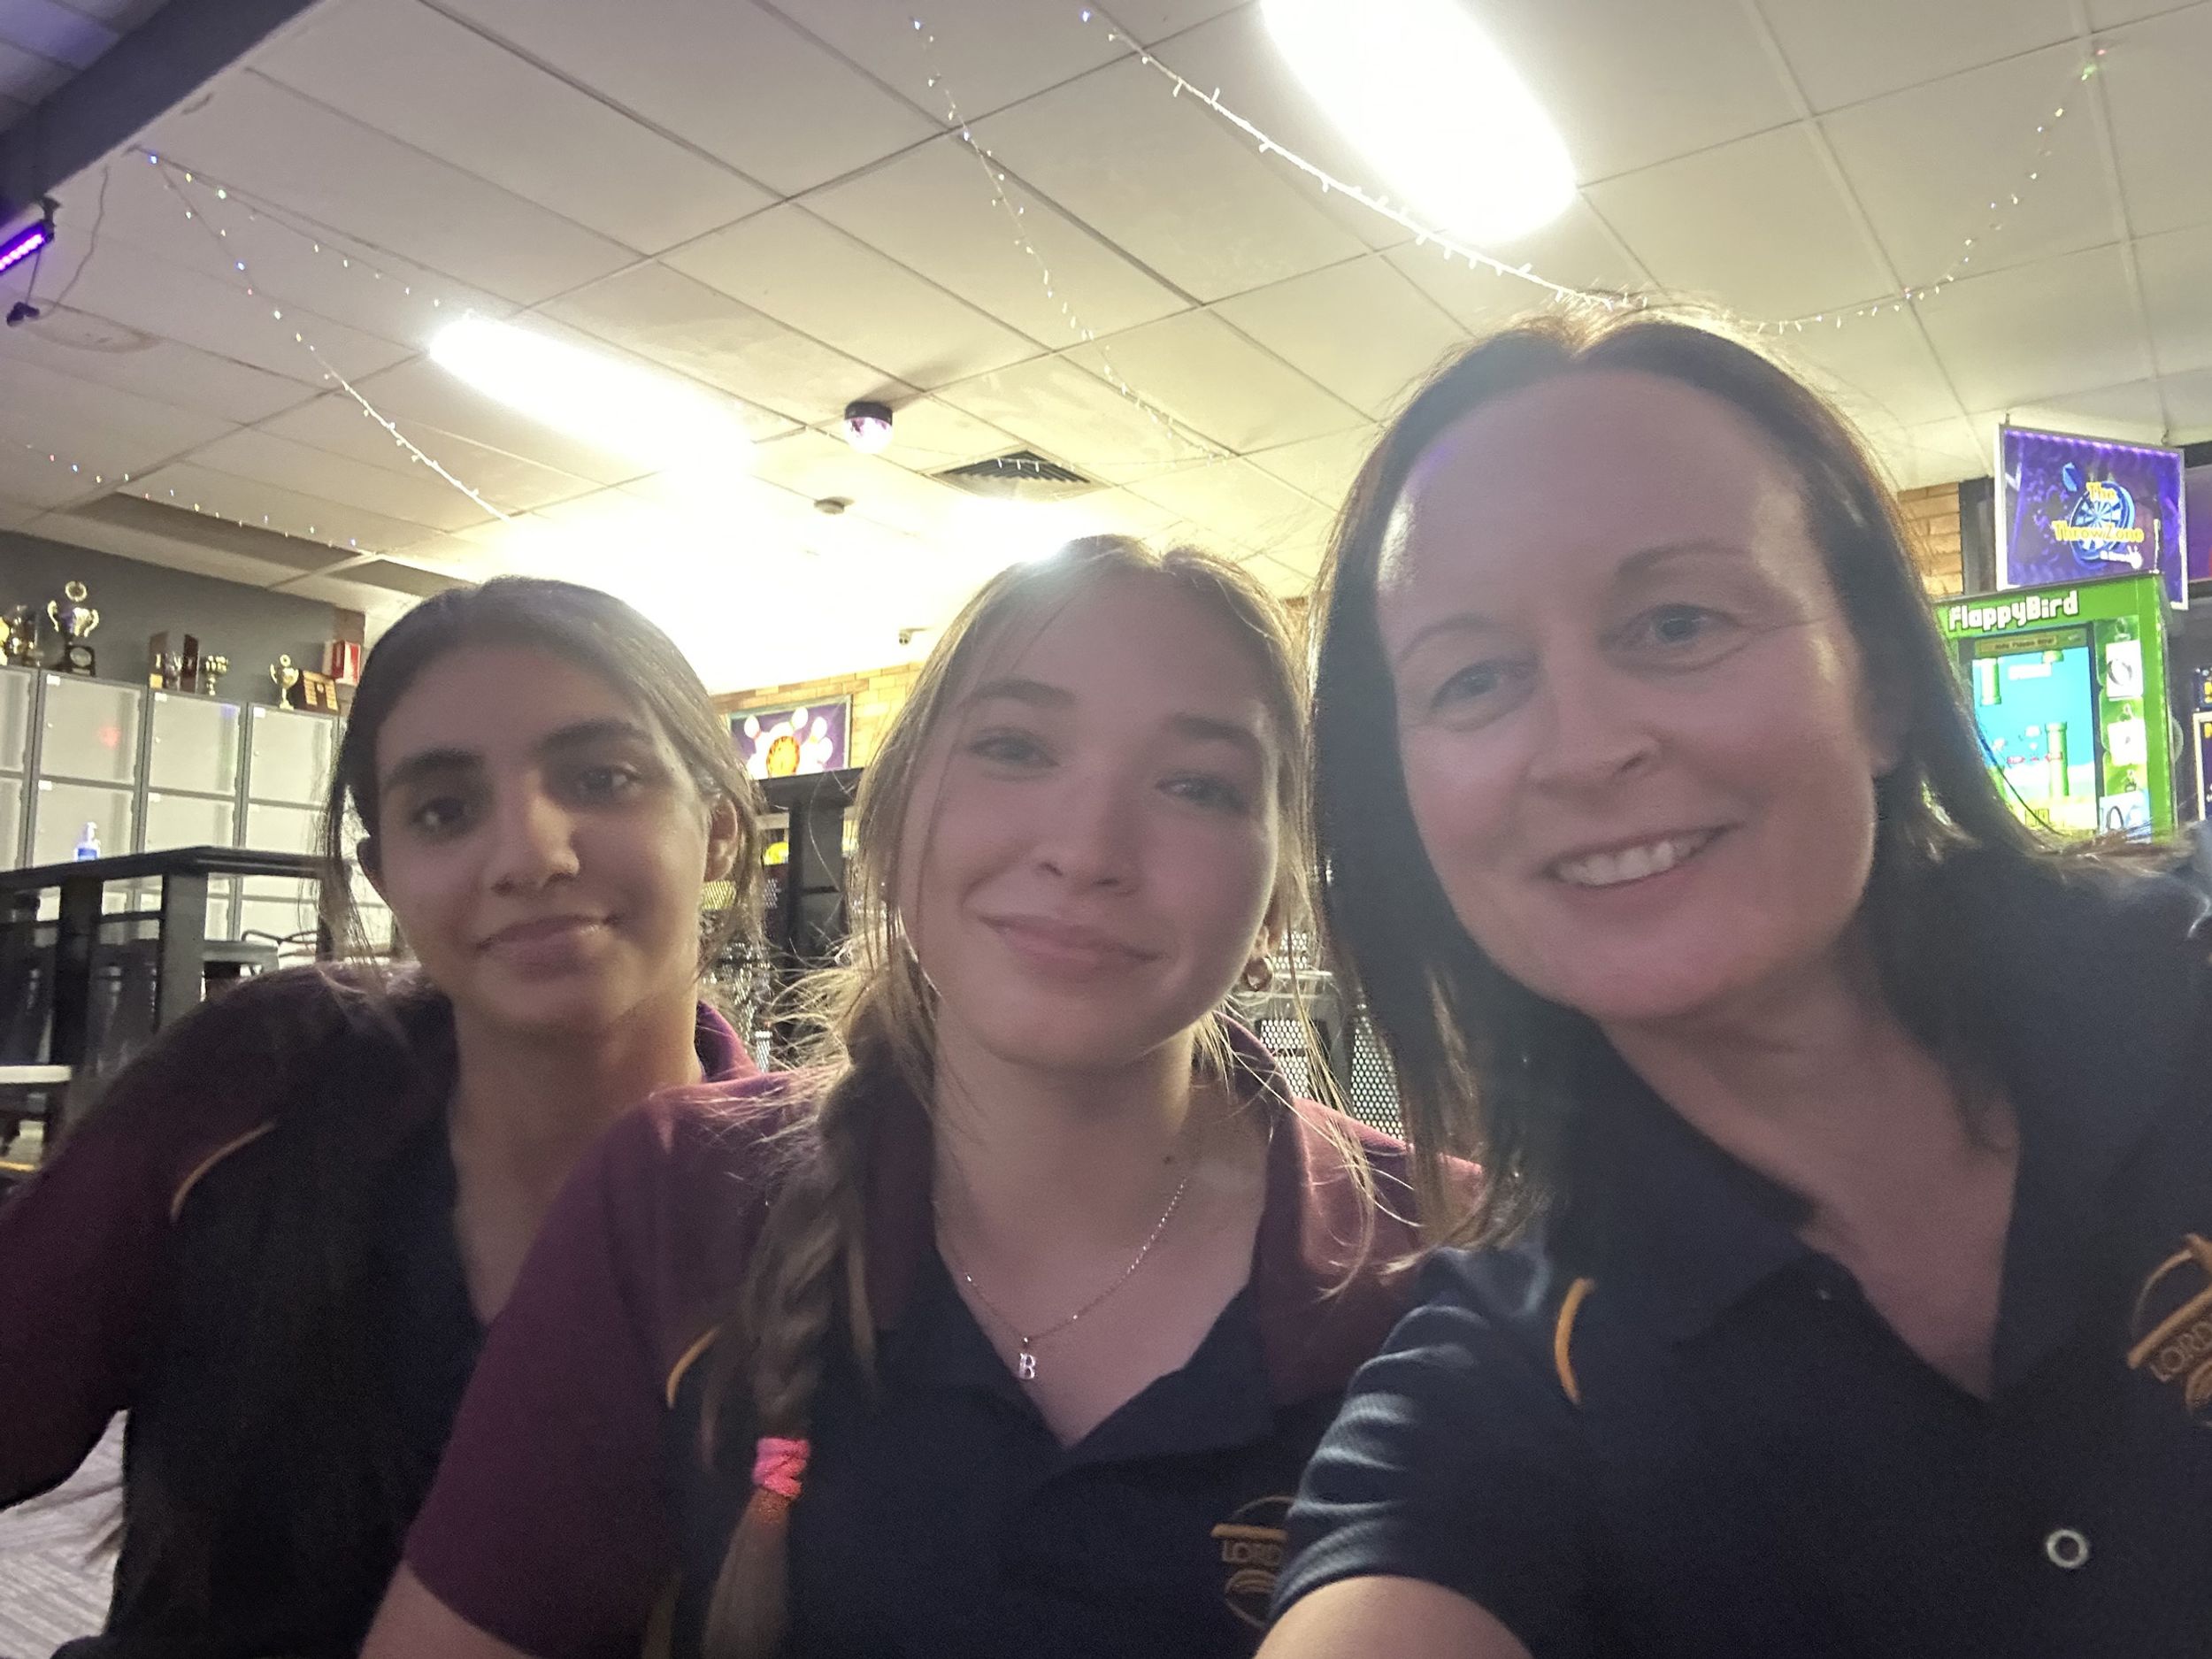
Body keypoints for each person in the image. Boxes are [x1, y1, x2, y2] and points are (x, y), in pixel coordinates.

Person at [1261, 311, 2212, 1659]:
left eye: (1676, 622)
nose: (1583, 748)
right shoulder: (1504, 1374)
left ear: (1881, 681)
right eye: (1474, 677)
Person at [359, 535, 1428, 1659]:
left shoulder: (1453, 1261)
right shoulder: (678, 1193)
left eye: (1197, 785)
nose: (1086, 850)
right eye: (1015, 748)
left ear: (1277, 898)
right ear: (895, 819)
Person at [0, 576, 764, 1659]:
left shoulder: (804, 1212)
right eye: (444, 810)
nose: (530, 855)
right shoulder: (265, 1076)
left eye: (602, 778)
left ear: (720, 829)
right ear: (386, 876)